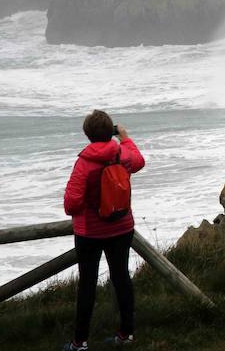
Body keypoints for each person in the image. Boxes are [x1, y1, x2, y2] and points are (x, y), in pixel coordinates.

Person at [62, 110, 145, 350]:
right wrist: (125, 138)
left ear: (87, 135)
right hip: (122, 227)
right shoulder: (122, 154)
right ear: (111, 131)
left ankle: (80, 342)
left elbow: (71, 204)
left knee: (87, 285)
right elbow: (139, 161)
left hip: (90, 232)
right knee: (121, 278)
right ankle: (126, 334)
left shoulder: (84, 164)